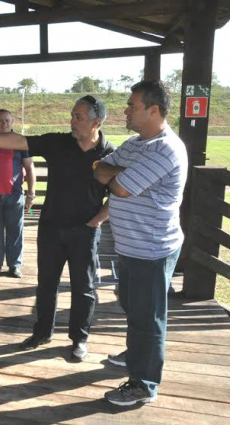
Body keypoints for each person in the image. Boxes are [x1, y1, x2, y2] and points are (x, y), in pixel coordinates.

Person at [0, 96, 114, 361]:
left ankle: (79, 339)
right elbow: (18, 141)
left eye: (78, 117)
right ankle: (42, 332)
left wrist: (98, 219)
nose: (71, 121)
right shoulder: (58, 142)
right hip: (52, 228)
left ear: (95, 122)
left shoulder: (110, 154)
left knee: (83, 287)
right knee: (46, 285)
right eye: (72, 115)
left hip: (84, 232)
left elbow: (121, 193)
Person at [94, 80, 187, 406]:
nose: (126, 110)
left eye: (132, 106)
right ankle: (138, 352)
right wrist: (122, 175)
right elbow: (100, 169)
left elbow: (118, 188)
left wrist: (120, 177)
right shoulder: (136, 143)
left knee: (148, 318)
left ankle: (143, 384)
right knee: (132, 304)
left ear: (153, 110)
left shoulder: (167, 148)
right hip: (129, 245)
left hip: (152, 248)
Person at [0, 109, 36, 278]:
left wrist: (31, 194)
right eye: (0, 121)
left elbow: (29, 168)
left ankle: (14, 265)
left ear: (12, 122)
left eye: (7, 120)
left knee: (15, 231)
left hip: (15, 195)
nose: (3, 124)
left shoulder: (20, 142)